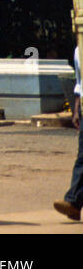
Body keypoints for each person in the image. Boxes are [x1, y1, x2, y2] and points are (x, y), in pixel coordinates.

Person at [52, 44, 82, 221]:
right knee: (82, 157)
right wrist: (76, 110)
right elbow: (80, 83)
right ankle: (74, 203)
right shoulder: (79, 49)